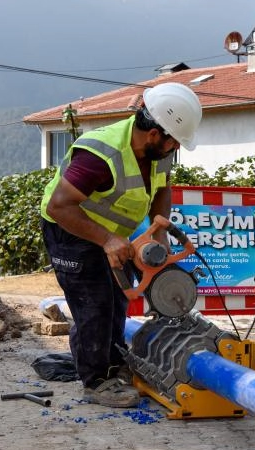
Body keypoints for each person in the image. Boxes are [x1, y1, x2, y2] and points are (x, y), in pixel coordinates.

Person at [40, 82, 202, 407]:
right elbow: (60, 206)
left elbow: (162, 191)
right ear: (155, 134)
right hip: (70, 227)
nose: (175, 150)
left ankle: (106, 362)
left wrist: (158, 231)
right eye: (173, 142)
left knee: (117, 300)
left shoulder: (158, 153)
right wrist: (106, 239)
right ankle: (98, 382)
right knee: (95, 303)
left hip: (112, 236)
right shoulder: (100, 155)